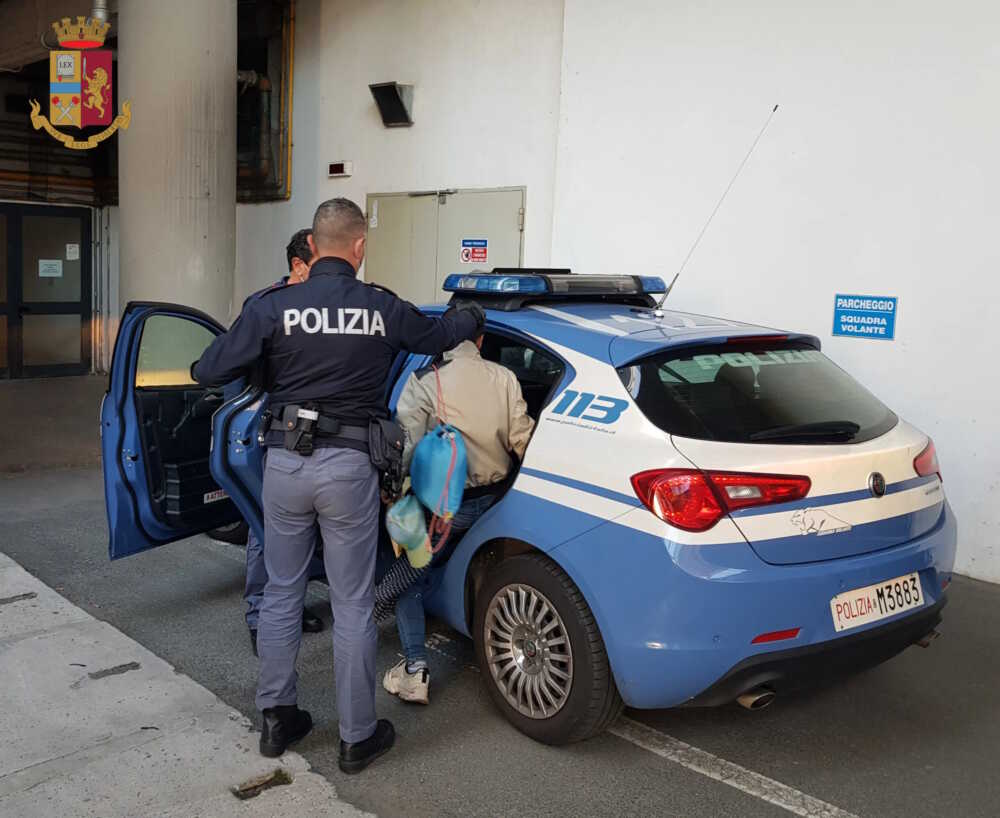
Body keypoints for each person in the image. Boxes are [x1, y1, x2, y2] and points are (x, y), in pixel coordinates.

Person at [191, 197, 484, 773]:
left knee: (281, 590)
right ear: (359, 247)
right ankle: (356, 737)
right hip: (349, 469)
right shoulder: (379, 307)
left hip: (284, 466)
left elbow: (207, 369)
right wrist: (474, 313)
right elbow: (437, 334)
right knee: (351, 603)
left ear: (313, 246)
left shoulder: (274, 306)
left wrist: (265, 366)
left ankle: (278, 720)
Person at [383, 330, 534, 704]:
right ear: (481, 340)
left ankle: (415, 671)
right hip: (496, 499)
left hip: (445, 510)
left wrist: (391, 495)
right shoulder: (506, 378)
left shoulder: (425, 381)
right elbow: (522, 440)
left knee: (406, 577)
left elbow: (408, 448)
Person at [239, 229, 324, 656]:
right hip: (269, 428)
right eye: (319, 262)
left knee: (300, 527)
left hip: (311, 430)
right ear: (297, 266)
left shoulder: (322, 306)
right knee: (264, 527)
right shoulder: (265, 305)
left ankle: (288, 608)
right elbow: (237, 371)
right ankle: (259, 614)